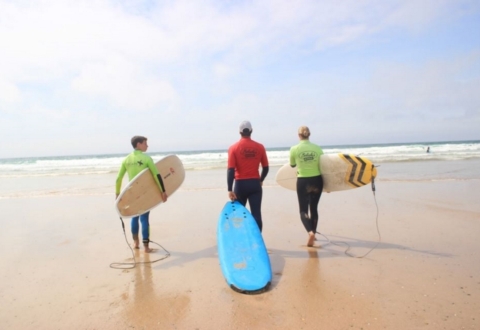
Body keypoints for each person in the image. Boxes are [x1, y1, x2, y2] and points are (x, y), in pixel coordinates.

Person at [115, 136, 168, 253]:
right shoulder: (147, 158)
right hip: (144, 193)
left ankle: (135, 243)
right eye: (145, 143)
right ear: (138, 144)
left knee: (134, 217)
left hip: (132, 193)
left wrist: (117, 194)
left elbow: (118, 178)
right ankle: (146, 247)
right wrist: (163, 191)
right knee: (144, 218)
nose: (147, 145)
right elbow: (156, 175)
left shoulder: (126, 159)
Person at [227, 120, 269, 232]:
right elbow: (266, 168)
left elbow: (230, 170)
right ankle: (258, 241)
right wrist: (261, 180)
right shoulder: (260, 147)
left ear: (239, 132)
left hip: (240, 185)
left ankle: (241, 240)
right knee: (256, 214)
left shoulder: (233, 148)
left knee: (239, 215)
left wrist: (229, 189)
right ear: (251, 131)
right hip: (255, 184)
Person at [289, 126, 324, 247]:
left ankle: (310, 233)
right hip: (317, 180)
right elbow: (324, 166)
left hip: (303, 181)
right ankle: (314, 232)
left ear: (299, 135)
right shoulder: (317, 148)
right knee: (314, 208)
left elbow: (292, 165)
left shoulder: (294, 149)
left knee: (303, 210)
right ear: (309, 134)